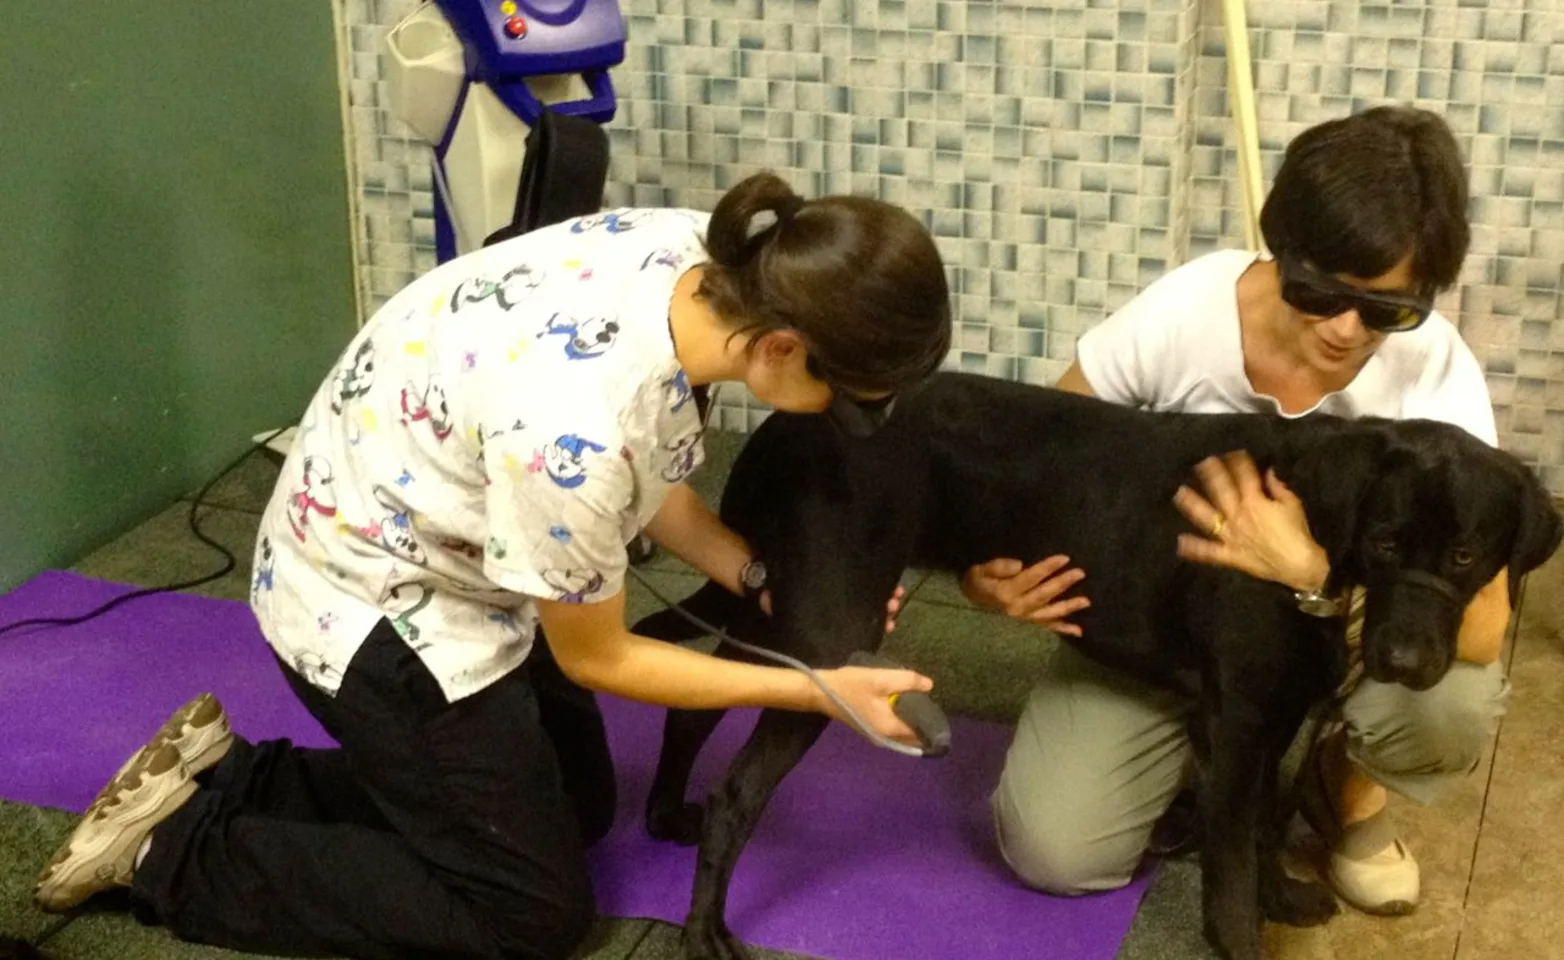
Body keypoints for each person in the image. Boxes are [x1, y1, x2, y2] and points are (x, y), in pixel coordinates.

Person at [34, 172, 952, 960]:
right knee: (532, 915)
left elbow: (650, 479)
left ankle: (228, 776)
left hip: (457, 547)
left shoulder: (704, 258)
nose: (847, 421)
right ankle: (171, 847)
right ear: (786, 346)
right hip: (369, 606)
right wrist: (819, 690)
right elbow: (603, 655)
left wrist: (757, 575)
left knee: (579, 808)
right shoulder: (576, 433)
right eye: (850, 400)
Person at [972, 105, 1511, 916]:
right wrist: (993, 572)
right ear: (1282, 250)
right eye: (1317, 291)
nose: (1344, 328)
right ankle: (1196, 751)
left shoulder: (1434, 370)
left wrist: (1308, 574)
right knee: (1057, 851)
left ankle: (1344, 788)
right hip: (1161, 627)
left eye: (1387, 309)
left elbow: (1482, 628)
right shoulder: (1189, 310)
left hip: (1336, 623)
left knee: (1449, 707)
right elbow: (1043, 459)